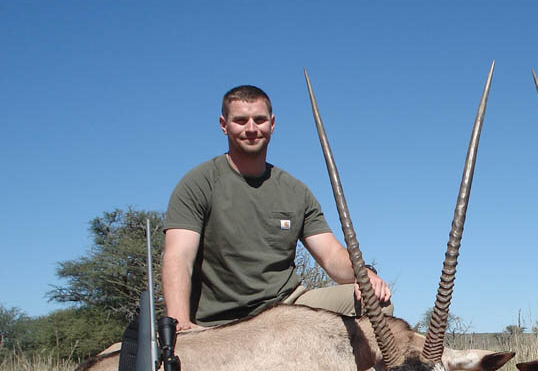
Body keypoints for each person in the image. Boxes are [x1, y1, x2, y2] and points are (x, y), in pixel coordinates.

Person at [163, 85, 392, 331]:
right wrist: (180, 323)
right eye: (240, 121)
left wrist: (364, 274)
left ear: (272, 124)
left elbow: (331, 255)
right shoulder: (199, 183)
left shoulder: (295, 190)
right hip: (222, 322)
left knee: (378, 304)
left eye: (259, 120)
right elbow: (179, 256)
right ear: (223, 124)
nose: (251, 129)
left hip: (287, 306)